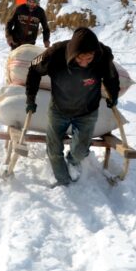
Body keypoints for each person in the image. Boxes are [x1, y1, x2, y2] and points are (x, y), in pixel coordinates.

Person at [25, 27, 120, 186]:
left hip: (87, 111)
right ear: (72, 54)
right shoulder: (54, 54)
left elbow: (112, 77)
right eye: (80, 59)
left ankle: (73, 162)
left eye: (89, 59)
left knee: (80, 151)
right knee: (54, 150)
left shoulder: (102, 56)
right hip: (59, 109)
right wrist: (30, 98)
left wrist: (114, 95)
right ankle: (63, 181)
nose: (84, 64)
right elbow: (33, 70)